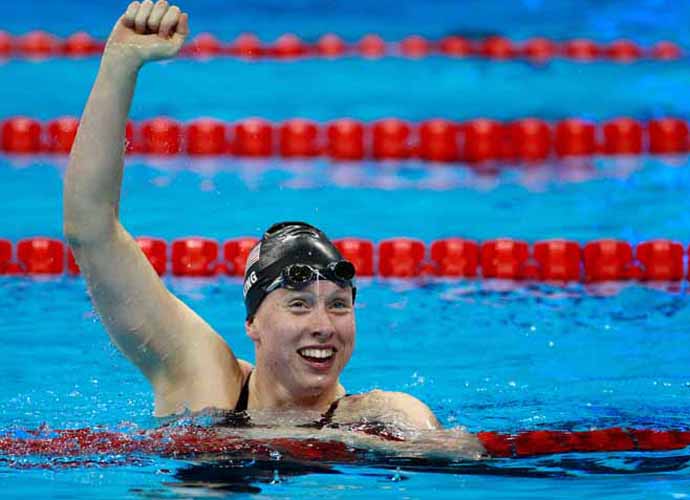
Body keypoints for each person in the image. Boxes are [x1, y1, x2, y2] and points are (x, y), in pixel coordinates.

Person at [63, 0, 485, 456]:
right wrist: (119, 63)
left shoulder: (383, 414)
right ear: (253, 324)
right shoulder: (203, 378)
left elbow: (458, 452)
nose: (324, 326)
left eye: (339, 306)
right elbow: (90, 230)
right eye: (299, 305)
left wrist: (350, 439)